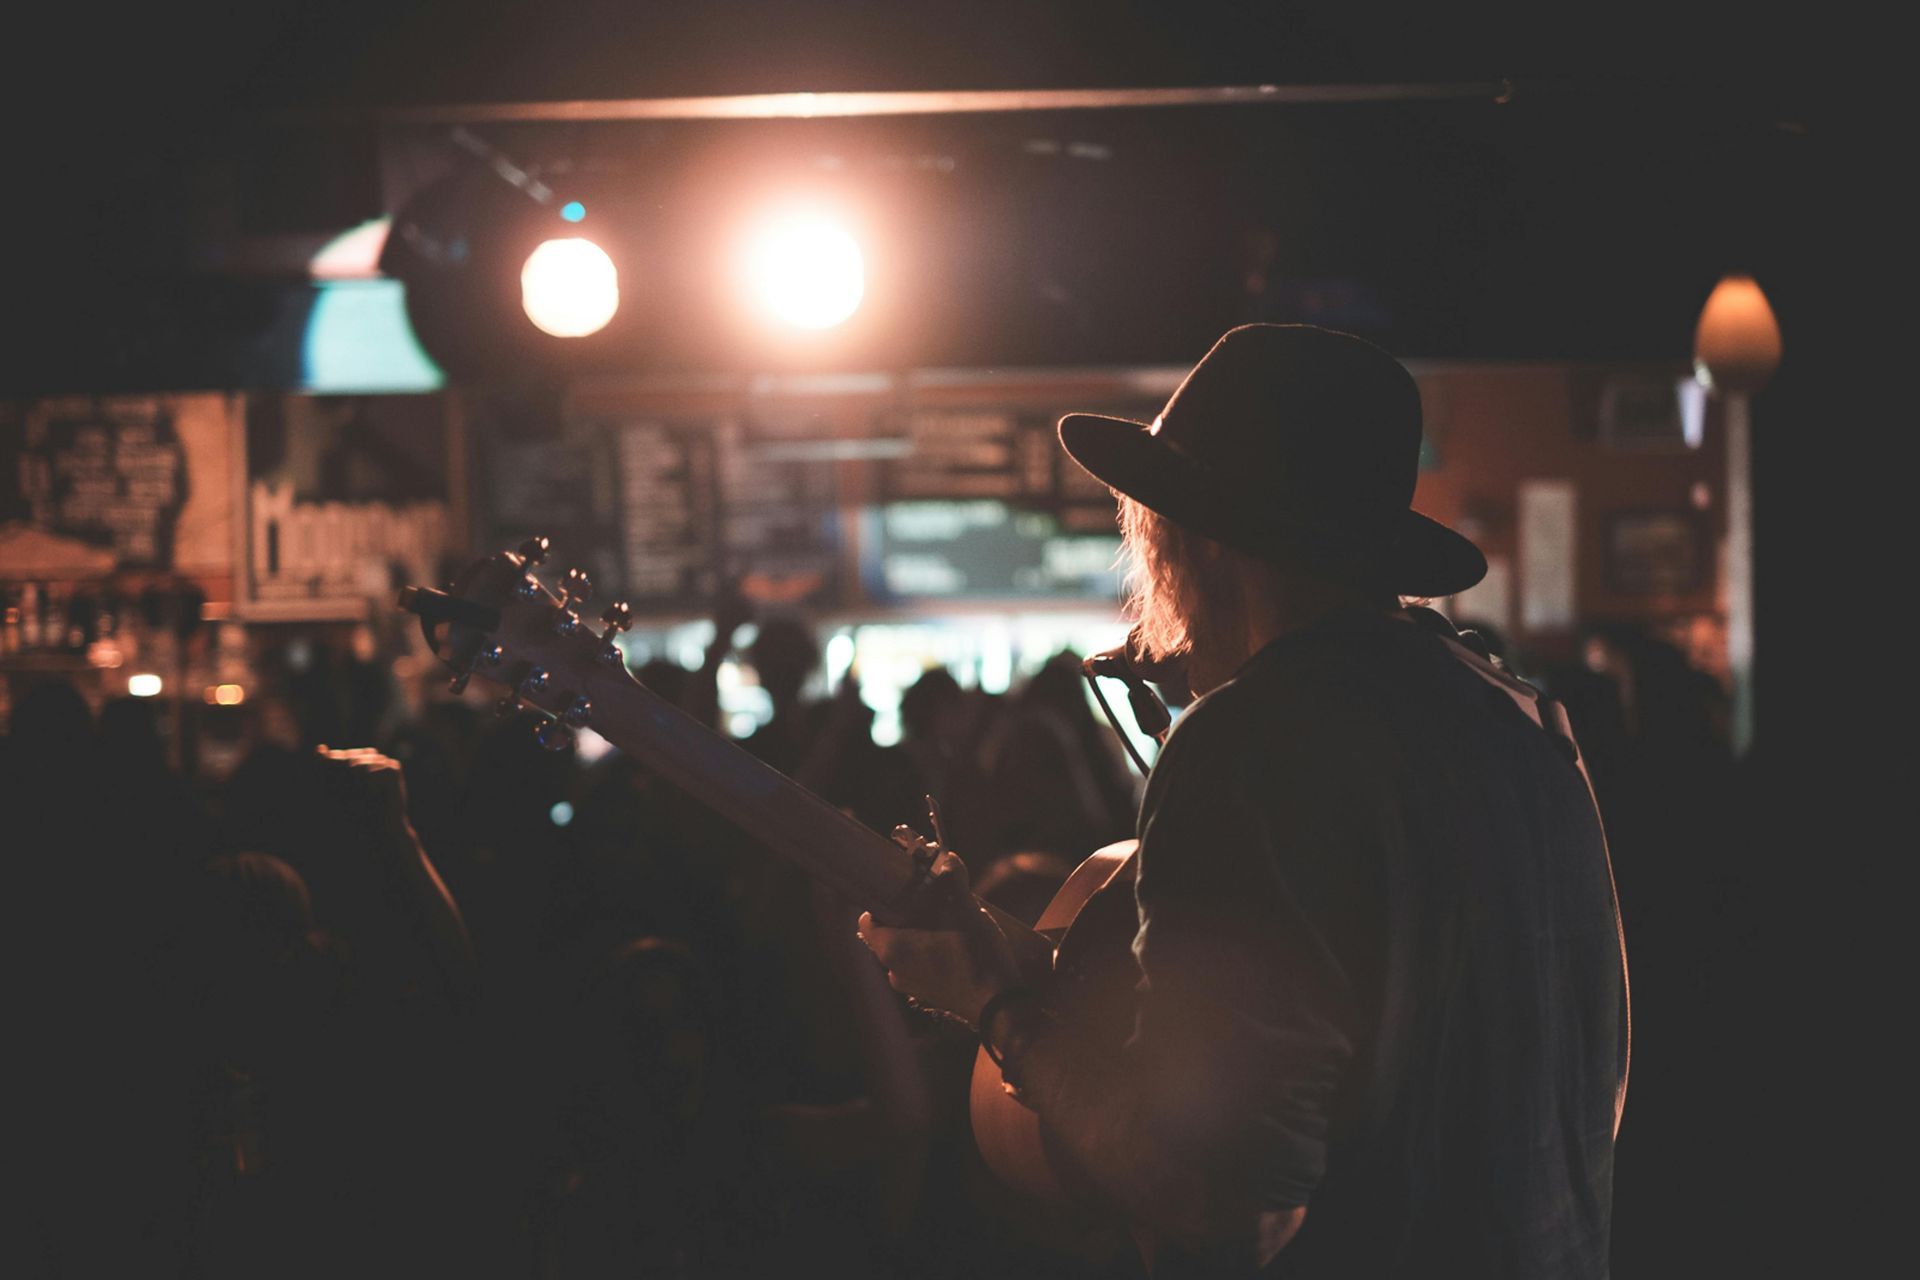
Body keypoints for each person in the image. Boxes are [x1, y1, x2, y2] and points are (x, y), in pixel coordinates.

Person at [858, 324, 1629, 1278]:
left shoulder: (1255, 739)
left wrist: (996, 1009)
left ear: (1195, 545)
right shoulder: (1520, 717)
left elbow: (1225, 1200)